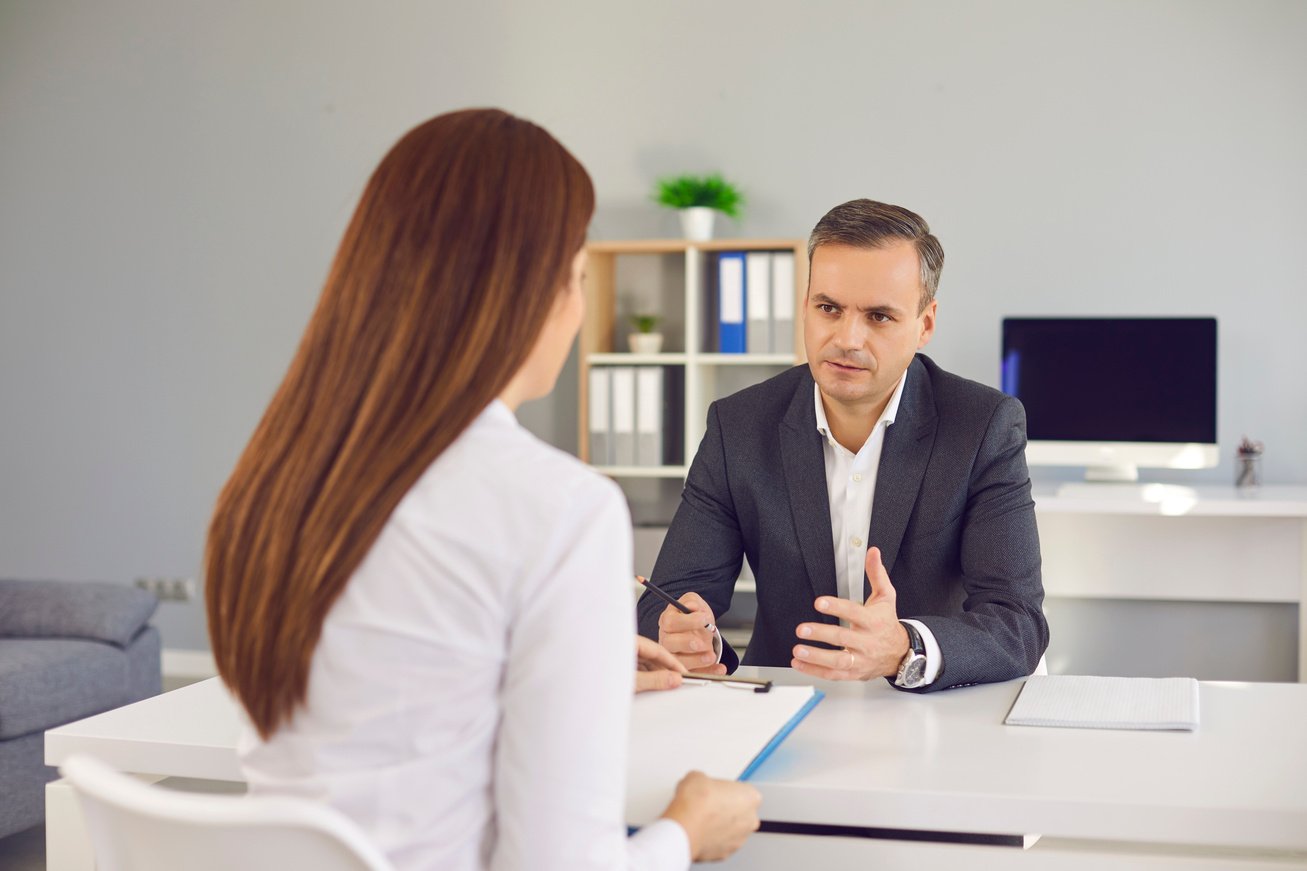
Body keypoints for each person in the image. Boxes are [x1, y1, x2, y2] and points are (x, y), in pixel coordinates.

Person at [205, 108, 759, 871]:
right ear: (524, 292)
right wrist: (687, 830)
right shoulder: (560, 508)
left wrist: (564, 682)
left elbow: (387, 708)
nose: (577, 308)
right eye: (576, 276)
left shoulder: (276, 480)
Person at [637, 199, 1048, 691]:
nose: (847, 339)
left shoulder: (983, 426)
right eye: (828, 308)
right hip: (784, 698)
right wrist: (682, 634)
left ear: (926, 324)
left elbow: (1018, 623)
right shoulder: (738, 426)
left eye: (878, 316)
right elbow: (668, 601)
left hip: (931, 704)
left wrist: (905, 648)